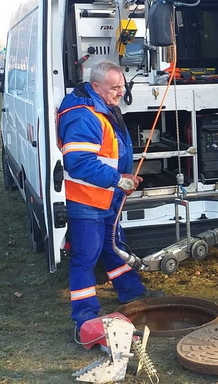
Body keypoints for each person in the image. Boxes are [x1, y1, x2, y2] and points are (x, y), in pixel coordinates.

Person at [57, 60, 162, 342]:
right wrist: (117, 180)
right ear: (95, 86)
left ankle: (132, 293)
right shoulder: (83, 115)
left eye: (122, 86)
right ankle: (85, 318)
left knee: (113, 246)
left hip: (106, 197)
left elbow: (107, 153)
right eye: (114, 87)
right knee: (85, 257)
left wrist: (122, 177)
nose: (120, 92)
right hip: (87, 200)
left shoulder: (102, 107)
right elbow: (78, 162)